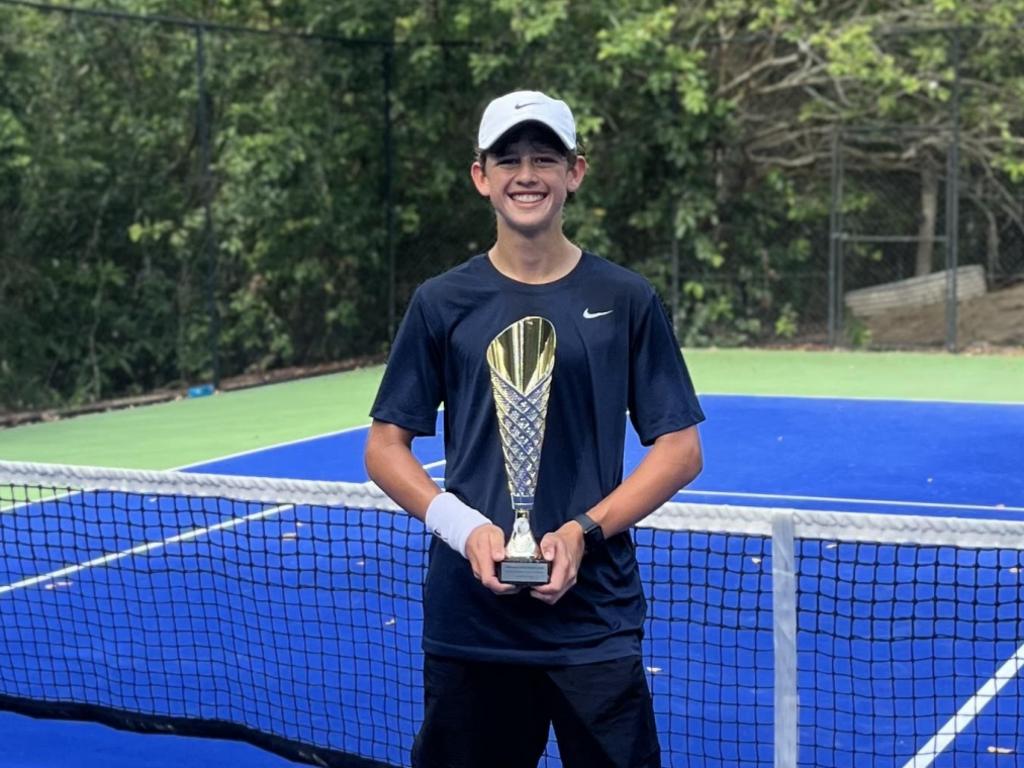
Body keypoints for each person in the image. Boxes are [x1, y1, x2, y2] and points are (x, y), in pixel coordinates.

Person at [364, 90, 704, 768]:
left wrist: (583, 532)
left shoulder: (626, 297)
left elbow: (681, 449)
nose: (527, 174)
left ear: (574, 172)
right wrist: (466, 530)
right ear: (480, 177)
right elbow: (384, 446)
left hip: (594, 624)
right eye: (508, 158)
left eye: (544, 157)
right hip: (472, 626)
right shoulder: (441, 302)